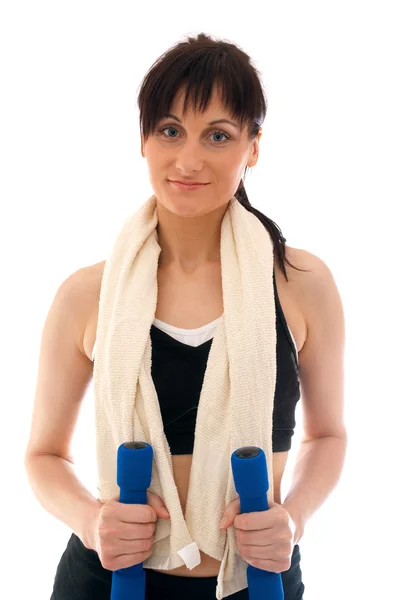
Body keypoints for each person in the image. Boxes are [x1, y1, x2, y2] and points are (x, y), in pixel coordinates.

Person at [24, 32, 347, 600]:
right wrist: (88, 521)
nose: (189, 160)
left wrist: (293, 520)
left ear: (253, 146)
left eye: (218, 135)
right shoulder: (86, 294)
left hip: (258, 577)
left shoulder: (301, 283)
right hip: (107, 580)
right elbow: (43, 455)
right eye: (170, 130)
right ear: (144, 140)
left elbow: (329, 435)